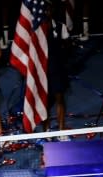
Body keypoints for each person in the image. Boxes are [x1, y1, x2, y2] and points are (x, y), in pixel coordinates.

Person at [43, 2, 72, 139]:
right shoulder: (36, 29)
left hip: (57, 70)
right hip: (43, 71)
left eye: (49, 9)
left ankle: (61, 130)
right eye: (45, 10)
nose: (47, 12)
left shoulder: (61, 27)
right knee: (45, 102)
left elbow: (67, 46)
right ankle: (47, 129)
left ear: (52, 10)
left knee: (60, 99)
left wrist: (62, 62)